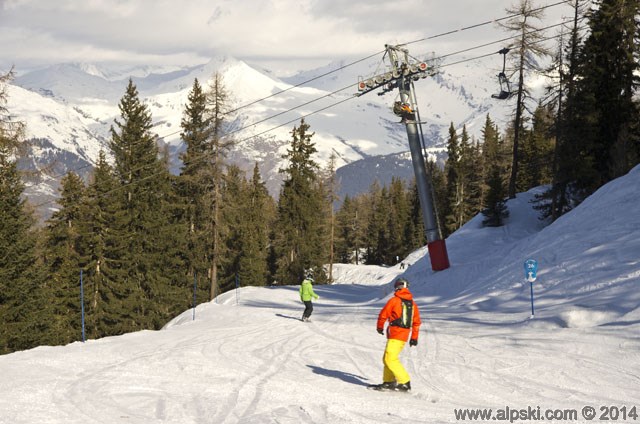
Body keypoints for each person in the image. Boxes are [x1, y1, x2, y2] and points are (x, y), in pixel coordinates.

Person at [374, 278, 421, 391]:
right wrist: (414, 337)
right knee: (387, 358)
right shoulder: (412, 303)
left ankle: (405, 381)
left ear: (398, 287)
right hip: (403, 335)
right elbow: (416, 322)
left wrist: (380, 326)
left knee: (390, 358)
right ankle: (388, 381)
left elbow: (383, 314)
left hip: (396, 334)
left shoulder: (394, 300)